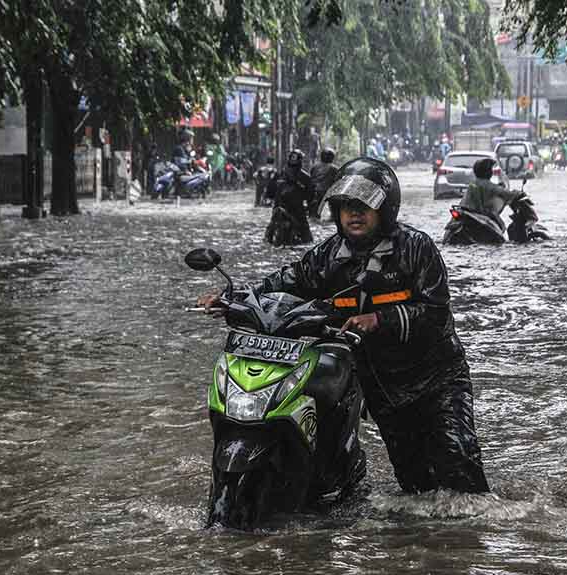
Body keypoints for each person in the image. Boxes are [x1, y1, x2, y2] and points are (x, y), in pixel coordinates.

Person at [198, 157, 491, 495]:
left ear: (385, 209)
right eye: (346, 206)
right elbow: (289, 280)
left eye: (364, 205)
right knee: (416, 487)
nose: (354, 213)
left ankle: (469, 542)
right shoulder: (328, 256)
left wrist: (379, 318)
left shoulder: (416, 247)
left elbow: (435, 312)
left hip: (437, 381)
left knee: (460, 470)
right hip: (382, 389)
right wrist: (234, 297)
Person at [264, 149, 313, 245]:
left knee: (271, 229)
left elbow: (270, 190)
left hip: (287, 206)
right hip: (292, 207)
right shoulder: (304, 176)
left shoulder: (280, 173)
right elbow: (310, 194)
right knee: (306, 236)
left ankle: (268, 237)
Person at [459, 157, 522, 226]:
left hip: (465, 213)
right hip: (479, 216)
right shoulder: (487, 184)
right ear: (487, 172)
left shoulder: (473, 183)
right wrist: (517, 193)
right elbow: (506, 193)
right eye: (490, 169)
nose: (491, 171)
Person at [308, 147, 339, 221]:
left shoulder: (315, 166)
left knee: (315, 205)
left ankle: (314, 215)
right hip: (327, 190)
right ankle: (333, 216)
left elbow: (311, 176)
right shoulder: (333, 168)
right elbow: (338, 178)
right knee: (334, 201)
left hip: (316, 189)